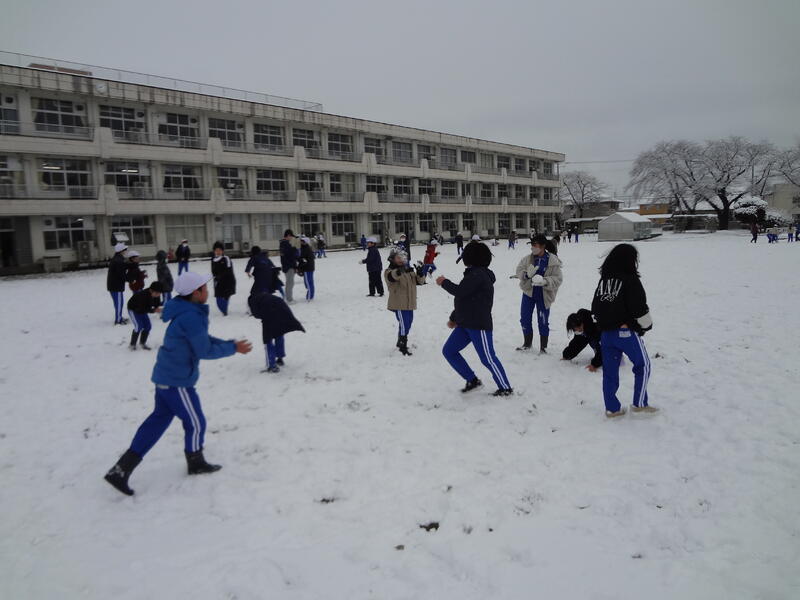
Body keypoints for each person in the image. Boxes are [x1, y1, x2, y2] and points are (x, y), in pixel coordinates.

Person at [103, 272, 252, 496]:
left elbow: (202, 339)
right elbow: (204, 350)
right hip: (177, 381)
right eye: (204, 288)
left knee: (157, 422)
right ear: (196, 293)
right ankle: (195, 462)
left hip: (166, 377)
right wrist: (233, 348)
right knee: (196, 422)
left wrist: (229, 344)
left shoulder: (186, 310)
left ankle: (121, 470)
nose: (207, 291)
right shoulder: (191, 316)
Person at [436, 241, 513, 396]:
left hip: (479, 325)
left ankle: (505, 388)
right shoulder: (473, 274)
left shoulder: (479, 275)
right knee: (449, 351)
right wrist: (454, 318)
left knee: (488, 359)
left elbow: (459, 292)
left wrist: (444, 282)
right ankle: (472, 380)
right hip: (465, 324)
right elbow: (464, 299)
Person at [591, 243, 656, 418]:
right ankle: (640, 404)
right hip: (625, 335)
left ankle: (612, 409)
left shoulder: (604, 281)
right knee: (643, 365)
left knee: (610, 373)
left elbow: (595, 308)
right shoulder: (630, 280)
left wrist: (605, 324)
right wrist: (645, 325)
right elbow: (639, 308)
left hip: (606, 335)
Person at [515, 235, 563, 353]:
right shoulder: (527, 259)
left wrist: (545, 281)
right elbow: (519, 270)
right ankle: (527, 343)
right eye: (532, 245)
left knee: (543, 321)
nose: (532, 248)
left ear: (543, 246)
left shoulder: (552, 261)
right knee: (525, 318)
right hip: (529, 293)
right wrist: (526, 275)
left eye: (535, 245)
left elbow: (558, 279)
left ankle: (543, 347)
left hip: (544, 296)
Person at [248, 291, 305, 373]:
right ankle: (280, 359)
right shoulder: (263, 296)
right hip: (282, 309)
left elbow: (257, 314)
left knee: (267, 340)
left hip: (270, 314)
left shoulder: (252, 301)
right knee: (279, 334)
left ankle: (272, 366)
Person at [384, 249, 425, 356]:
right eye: (398, 258)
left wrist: (420, 273)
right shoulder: (389, 271)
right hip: (399, 303)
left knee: (408, 323)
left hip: (410, 303)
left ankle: (400, 341)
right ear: (392, 259)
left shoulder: (408, 271)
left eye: (403, 258)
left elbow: (420, 282)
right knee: (404, 324)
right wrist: (400, 271)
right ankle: (402, 345)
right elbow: (392, 277)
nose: (401, 260)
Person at [127, 282, 164, 350]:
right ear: (151, 290)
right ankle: (132, 345)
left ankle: (142, 343)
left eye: (159, 293)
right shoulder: (142, 295)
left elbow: (156, 304)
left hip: (142, 310)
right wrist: (154, 310)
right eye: (157, 293)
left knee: (148, 326)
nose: (158, 295)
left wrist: (158, 308)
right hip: (133, 309)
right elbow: (142, 309)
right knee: (138, 326)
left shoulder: (156, 294)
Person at [211, 241, 236, 316]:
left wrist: (220, 275)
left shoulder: (226, 258)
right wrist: (215, 276)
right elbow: (213, 270)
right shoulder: (213, 259)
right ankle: (224, 310)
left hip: (228, 282)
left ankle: (225, 312)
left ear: (222, 251)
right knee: (218, 299)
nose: (218, 252)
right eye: (216, 250)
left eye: (219, 250)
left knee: (226, 297)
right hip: (218, 282)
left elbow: (229, 270)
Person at [107, 242, 130, 325]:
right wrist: (130, 279)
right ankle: (118, 320)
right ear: (121, 251)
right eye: (125, 249)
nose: (126, 251)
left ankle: (119, 317)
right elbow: (121, 274)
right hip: (116, 286)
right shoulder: (119, 261)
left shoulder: (117, 259)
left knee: (117, 303)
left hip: (113, 286)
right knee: (119, 303)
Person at [280, 229, 299, 303]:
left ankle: (289, 298)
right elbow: (291, 256)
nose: (292, 238)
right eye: (291, 236)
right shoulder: (285, 244)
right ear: (288, 235)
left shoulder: (284, 243)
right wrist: (294, 266)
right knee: (289, 283)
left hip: (288, 266)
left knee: (290, 282)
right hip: (289, 266)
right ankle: (289, 299)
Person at [297, 236, 316, 301]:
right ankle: (310, 295)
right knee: (308, 282)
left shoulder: (306, 249)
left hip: (308, 268)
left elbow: (303, 259)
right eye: (301, 241)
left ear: (306, 242)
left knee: (308, 283)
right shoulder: (304, 248)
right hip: (308, 267)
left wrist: (299, 266)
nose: (301, 242)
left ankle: (309, 296)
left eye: (302, 241)